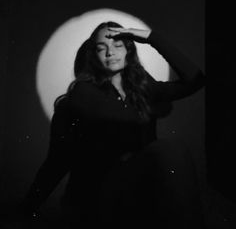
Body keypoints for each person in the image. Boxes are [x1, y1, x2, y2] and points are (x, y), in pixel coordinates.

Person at [20, 21, 205, 228]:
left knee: (171, 151)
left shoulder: (142, 87)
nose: (110, 53)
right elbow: (57, 161)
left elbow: (195, 80)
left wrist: (151, 37)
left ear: (129, 50)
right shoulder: (83, 94)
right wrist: (28, 207)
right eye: (102, 48)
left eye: (118, 45)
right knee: (167, 149)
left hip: (137, 192)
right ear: (94, 56)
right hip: (98, 196)